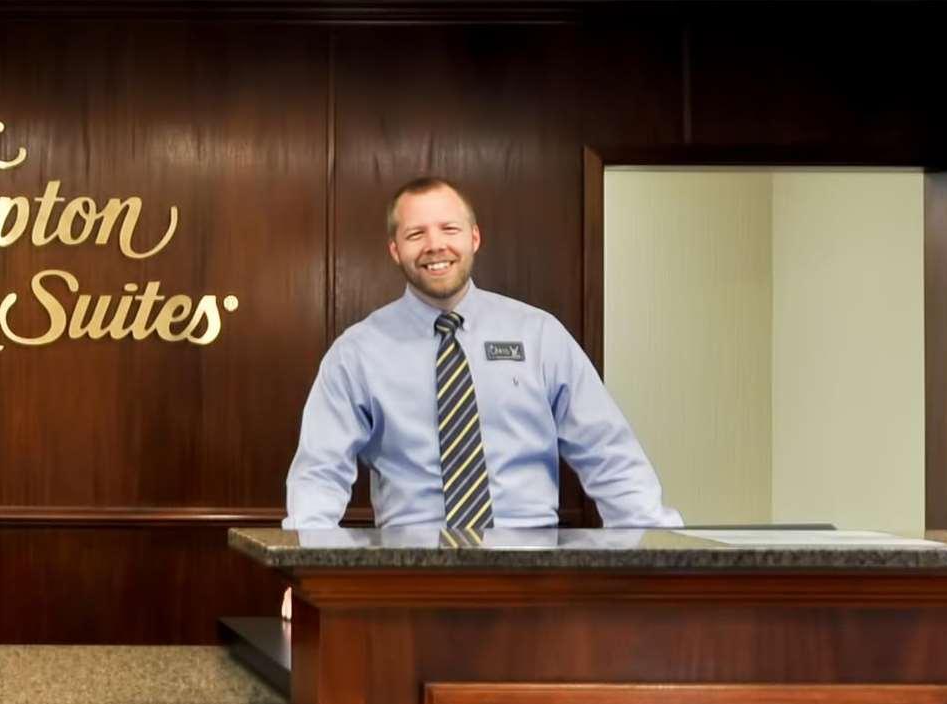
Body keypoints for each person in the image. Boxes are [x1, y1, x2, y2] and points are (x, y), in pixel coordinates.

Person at [284, 176, 673, 533]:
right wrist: (306, 562)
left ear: (474, 237)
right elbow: (320, 472)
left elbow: (607, 452)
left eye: (449, 229)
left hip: (532, 564)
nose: (435, 245)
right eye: (416, 234)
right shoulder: (356, 353)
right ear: (395, 250)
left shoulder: (540, 335)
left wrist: (659, 551)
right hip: (409, 570)